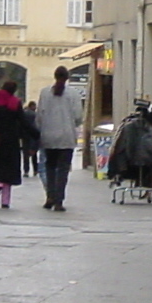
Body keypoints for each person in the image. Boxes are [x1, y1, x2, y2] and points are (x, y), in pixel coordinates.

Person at [35, 66, 84, 211]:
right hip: (66, 137)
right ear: (67, 77)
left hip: (48, 137)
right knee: (63, 170)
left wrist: (42, 130)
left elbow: (40, 116)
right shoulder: (74, 94)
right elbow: (78, 117)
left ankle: (50, 196)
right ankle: (59, 200)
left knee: (50, 168)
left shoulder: (45, 93)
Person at [0, 80, 29, 209]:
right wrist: (36, 134)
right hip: (11, 141)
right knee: (9, 170)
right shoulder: (16, 103)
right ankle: (5, 201)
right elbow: (23, 122)